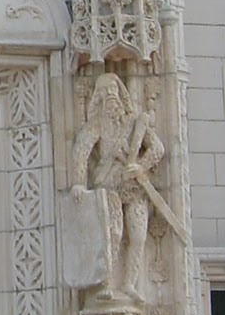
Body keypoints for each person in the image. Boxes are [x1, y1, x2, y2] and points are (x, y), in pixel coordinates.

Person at [70, 73, 163, 299]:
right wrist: (79, 184)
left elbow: (157, 148)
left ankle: (130, 284)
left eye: (113, 89)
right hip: (109, 187)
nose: (110, 96)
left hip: (134, 188)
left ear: (121, 94)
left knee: (139, 236)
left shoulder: (134, 123)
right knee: (113, 233)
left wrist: (140, 167)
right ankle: (107, 284)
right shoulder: (97, 125)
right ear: (98, 98)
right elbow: (81, 150)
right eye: (104, 92)